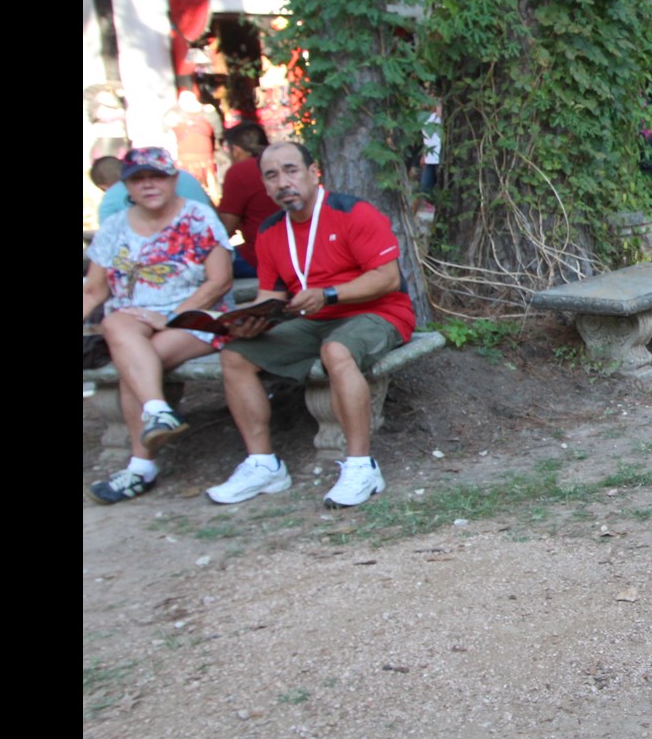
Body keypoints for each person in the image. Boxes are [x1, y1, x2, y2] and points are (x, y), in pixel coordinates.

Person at [205, 141, 415, 509]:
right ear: (266, 187)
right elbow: (269, 294)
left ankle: (360, 466)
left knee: (336, 349)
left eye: (291, 170)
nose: (283, 181)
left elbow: (387, 278)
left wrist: (330, 294)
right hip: (311, 318)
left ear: (313, 172)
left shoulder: (353, 212)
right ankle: (263, 464)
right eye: (272, 176)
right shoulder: (270, 231)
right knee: (236, 355)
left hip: (378, 312)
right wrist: (250, 321)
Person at [82, 147, 235, 503]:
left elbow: (219, 282)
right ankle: (159, 411)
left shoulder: (198, 217)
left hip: (195, 317)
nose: (148, 185)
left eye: (156, 176)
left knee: (133, 361)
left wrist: (169, 317)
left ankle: (140, 468)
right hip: (133, 321)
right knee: (118, 326)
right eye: (138, 179)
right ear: (126, 187)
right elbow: (94, 290)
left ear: (173, 179)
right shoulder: (115, 226)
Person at [216, 122, 281, 278]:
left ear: (236, 151)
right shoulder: (286, 163)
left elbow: (224, 229)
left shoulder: (239, 172)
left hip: (261, 260)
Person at [419, 106, 443, 194]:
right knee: (424, 188)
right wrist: (424, 154)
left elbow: (440, 115)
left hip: (439, 155)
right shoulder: (424, 117)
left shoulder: (438, 116)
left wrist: (438, 103)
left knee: (427, 187)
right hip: (430, 157)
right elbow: (426, 138)